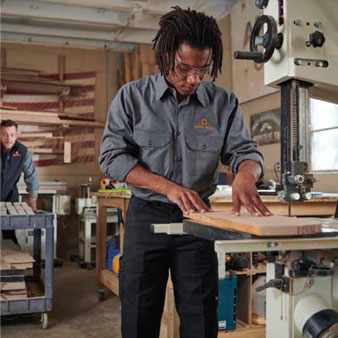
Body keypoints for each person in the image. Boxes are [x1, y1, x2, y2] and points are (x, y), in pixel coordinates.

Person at [99, 7, 271, 338]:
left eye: (203, 70)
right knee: (139, 311)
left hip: (197, 222)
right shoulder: (132, 98)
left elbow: (245, 152)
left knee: (201, 313)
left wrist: (246, 174)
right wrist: (166, 187)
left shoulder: (223, 103)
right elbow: (111, 156)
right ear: (166, 56)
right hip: (146, 216)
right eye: (184, 68)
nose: (193, 79)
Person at [1, 120, 39, 243]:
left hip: (10, 197)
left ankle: (13, 260)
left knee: (9, 233)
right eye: (4, 134)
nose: (8, 139)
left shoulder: (22, 152)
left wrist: (33, 200)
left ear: (16, 135)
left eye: (12, 135)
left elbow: (31, 176)